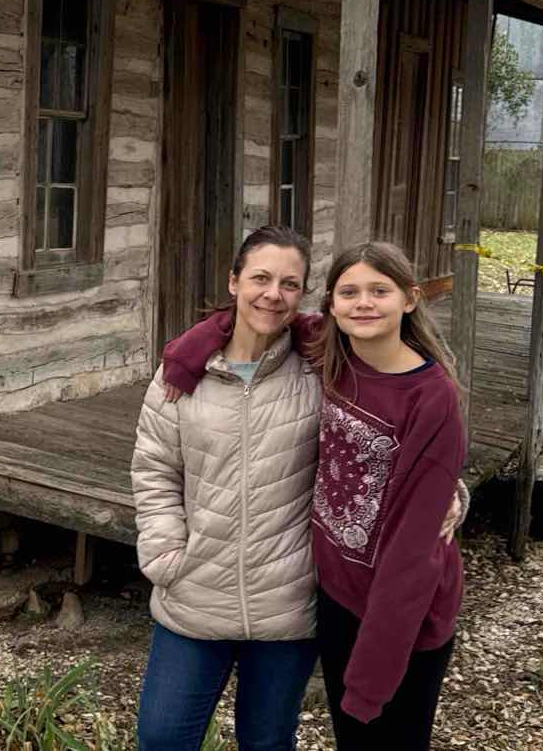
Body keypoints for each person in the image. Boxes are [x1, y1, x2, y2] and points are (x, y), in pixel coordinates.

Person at [157, 241, 467, 751]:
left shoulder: (431, 397)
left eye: (379, 291)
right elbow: (251, 318)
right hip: (336, 594)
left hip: (403, 614)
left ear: (410, 298)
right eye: (349, 292)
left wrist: (369, 680)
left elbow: (412, 552)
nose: (363, 303)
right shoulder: (332, 354)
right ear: (331, 307)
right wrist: (186, 354)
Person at [130, 225, 322, 751]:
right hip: (195, 590)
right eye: (260, 278)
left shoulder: (321, 370)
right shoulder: (182, 373)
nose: (273, 294)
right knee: (163, 738)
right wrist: (166, 551)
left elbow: (383, 434)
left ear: (301, 294)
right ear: (234, 281)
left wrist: (445, 491)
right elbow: (154, 467)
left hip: (288, 600)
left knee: (267, 743)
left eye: (289, 283)